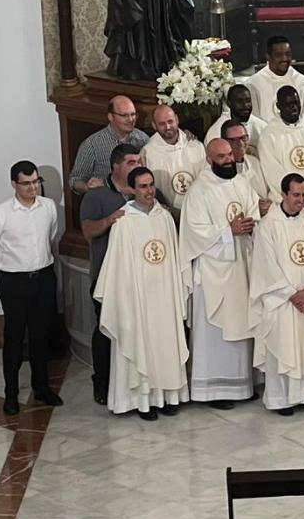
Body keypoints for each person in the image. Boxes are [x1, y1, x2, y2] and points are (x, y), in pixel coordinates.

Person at [93, 167, 188, 419]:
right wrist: (125, 298)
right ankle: (143, 401)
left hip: (164, 295)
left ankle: (167, 396)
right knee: (141, 343)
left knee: (165, 343)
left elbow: (174, 258)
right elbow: (118, 266)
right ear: (132, 189)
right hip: (138, 296)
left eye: (151, 185)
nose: (149, 191)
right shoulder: (124, 221)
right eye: (143, 186)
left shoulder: (164, 217)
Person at [179, 139, 260, 407]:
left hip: (241, 267)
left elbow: (254, 212)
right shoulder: (199, 192)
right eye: (221, 156)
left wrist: (252, 224)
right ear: (208, 159)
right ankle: (213, 390)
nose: (228, 160)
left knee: (241, 326)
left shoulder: (241, 183)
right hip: (214, 272)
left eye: (229, 155)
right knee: (216, 332)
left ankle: (242, 385)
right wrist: (229, 231)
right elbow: (194, 233)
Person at [0, 161, 64, 415]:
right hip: (13, 282)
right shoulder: (1, 212)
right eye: (27, 183)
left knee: (41, 335)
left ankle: (42, 388)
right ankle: (11, 393)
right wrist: (9, 267)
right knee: (15, 337)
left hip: (43, 277)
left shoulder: (49, 207)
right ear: (14, 185)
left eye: (36, 182)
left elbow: (50, 236)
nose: (33, 188)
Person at [250, 174, 304, 414]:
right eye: (296, 195)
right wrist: (291, 294)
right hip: (282, 301)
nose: (301, 200)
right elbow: (266, 265)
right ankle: (282, 398)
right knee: (284, 344)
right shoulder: (268, 225)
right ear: (283, 194)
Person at [79, 144, 142, 405]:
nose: (136, 166)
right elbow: (88, 231)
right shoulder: (97, 196)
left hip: (139, 277)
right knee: (105, 330)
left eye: (139, 161)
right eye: (131, 162)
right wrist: (109, 220)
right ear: (115, 166)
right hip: (107, 275)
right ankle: (102, 383)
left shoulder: (147, 191)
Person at [69, 95, 148, 195]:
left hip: (137, 202)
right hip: (106, 203)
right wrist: (88, 187)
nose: (131, 119)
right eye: (124, 115)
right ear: (111, 117)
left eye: (133, 114)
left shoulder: (143, 140)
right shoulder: (92, 144)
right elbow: (75, 180)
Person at [141, 104, 204, 210]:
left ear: (177, 119)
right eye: (162, 124)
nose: (168, 127)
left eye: (170, 121)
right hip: (166, 212)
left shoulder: (195, 146)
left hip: (197, 208)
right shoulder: (148, 152)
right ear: (154, 125)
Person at [245, 36, 304, 122]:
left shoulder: (303, 82)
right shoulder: (253, 84)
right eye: (278, 55)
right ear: (268, 56)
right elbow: (253, 122)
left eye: (288, 54)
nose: (284, 59)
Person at [206, 83, 267, 149]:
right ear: (229, 103)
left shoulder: (261, 126)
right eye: (240, 101)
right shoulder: (217, 131)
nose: (246, 105)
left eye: (248, 100)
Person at [223, 119, 270, 205]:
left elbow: (266, 192)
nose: (241, 143)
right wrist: (255, 209)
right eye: (234, 140)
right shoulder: (220, 170)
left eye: (243, 138)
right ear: (224, 141)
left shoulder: (254, 162)